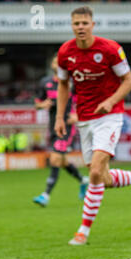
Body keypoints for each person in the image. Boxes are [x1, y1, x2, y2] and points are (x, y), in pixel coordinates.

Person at [55, 6, 131, 245]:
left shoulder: (110, 49)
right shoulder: (65, 52)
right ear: (72, 26)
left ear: (93, 24)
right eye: (76, 23)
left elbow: (129, 81)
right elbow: (63, 85)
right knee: (102, 177)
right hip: (84, 120)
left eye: (84, 22)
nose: (80, 27)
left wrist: (110, 101)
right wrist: (60, 117)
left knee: (93, 173)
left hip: (110, 116)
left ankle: (83, 231)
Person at [33, 55, 89, 207]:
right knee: (62, 161)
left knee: (55, 159)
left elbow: (83, 100)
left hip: (67, 127)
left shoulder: (73, 82)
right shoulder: (45, 83)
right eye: (55, 61)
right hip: (52, 126)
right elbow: (37, 103)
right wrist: (42, 104)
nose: (57, 64)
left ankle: (46, 195)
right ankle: (83, 180)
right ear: (52, 65)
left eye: (60, 61)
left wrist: (77, 114)